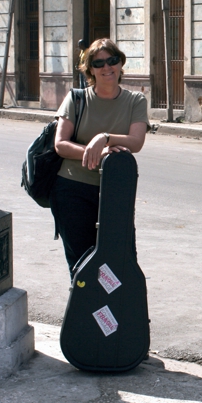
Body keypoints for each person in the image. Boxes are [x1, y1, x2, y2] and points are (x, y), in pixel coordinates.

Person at [51, 38, 150, 275]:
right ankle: (83, 310)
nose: (107, 68)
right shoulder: (76, 99)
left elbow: (136, 142)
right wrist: (95, 152)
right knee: (82, 266)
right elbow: (60, 145)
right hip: (73, 190)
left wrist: (104, 137)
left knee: (121, 261)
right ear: (90, 70)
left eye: (112, 60)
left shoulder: (135, 100)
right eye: (99, 63)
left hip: (114, 192)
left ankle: (121, 312)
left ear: (120, 63)